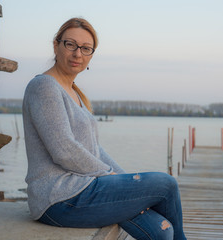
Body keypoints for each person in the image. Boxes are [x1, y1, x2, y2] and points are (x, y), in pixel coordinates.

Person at [22, 17, 186, 240]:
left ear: (91, 55)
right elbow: (64, 150)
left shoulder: (76, 93)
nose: (77, 53)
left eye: (86, 48)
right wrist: (109, 176)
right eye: (70, 44)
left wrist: (122, 179)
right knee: (166, 184)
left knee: (162, 231)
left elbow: (94, 149)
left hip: (85, 189)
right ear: (56, 45)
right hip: (58, 198)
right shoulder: (43, 86)